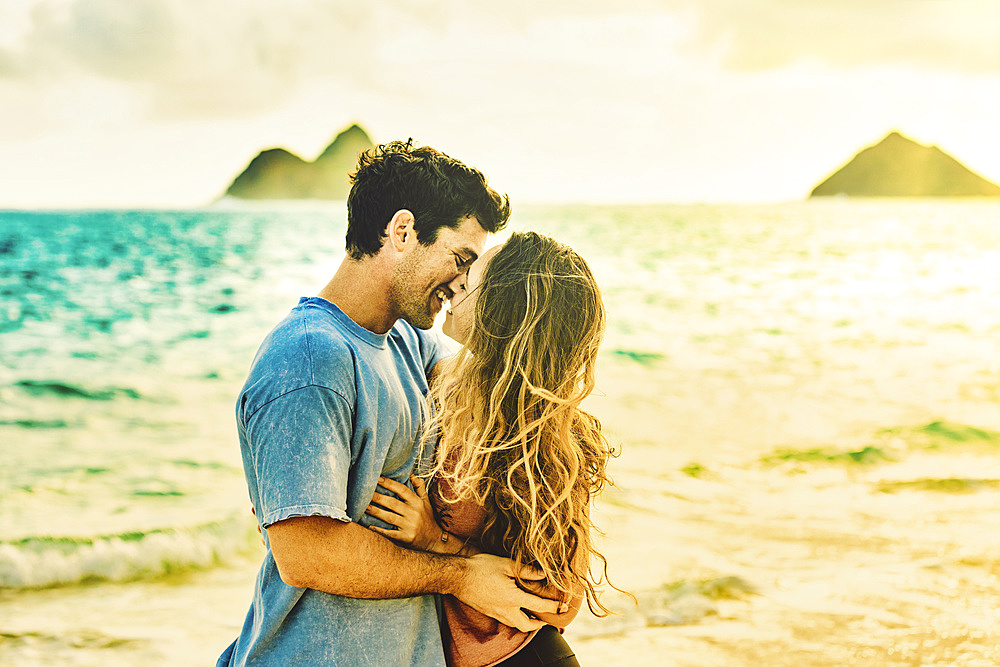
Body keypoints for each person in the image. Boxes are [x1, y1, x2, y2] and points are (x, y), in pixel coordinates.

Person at [218, 143, 564, 667]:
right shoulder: (309, 359)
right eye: (461, 259)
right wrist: (461, 574)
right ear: (402, 233)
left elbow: (504, 376)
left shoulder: (406, 342)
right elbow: (306, 555)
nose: (462, 284)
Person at [365, 232, 619, 667]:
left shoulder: (544, 439)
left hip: (523, 658)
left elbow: (559, 602)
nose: (457, 280)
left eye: (471, 281)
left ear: (504, 314)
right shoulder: (439, 385)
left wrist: (439, 542)